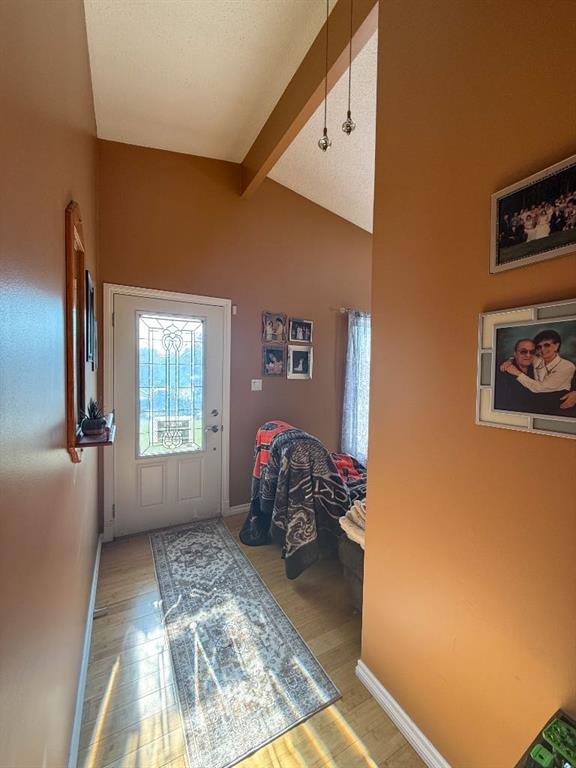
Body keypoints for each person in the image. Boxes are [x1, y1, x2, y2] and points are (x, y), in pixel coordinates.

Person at [501, 329, 576, 416]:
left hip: (558, 407)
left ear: (556, 346)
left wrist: (517, 373)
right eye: (539, 347)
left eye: (547, 345)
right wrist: (509, 361)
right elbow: (521, 356)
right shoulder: (538, 360)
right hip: (536, 407)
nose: (542, 349)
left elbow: (540, 388)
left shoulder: (567, 366)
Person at [495, 338, 537, 412]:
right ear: (515, 354)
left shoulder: (538, 369)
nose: (528, 355)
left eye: (532, 352)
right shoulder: (504, 371)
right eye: (523, 352)